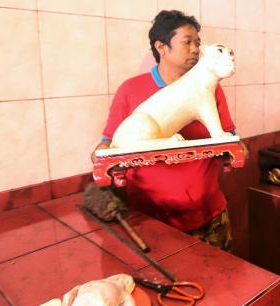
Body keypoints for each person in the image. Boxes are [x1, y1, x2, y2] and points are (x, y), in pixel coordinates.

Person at [92, 10, 244, 252]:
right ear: (161, 47)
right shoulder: (130, 90)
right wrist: (102, 158)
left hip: (209, 214)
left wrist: (235, 148)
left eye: (197, 43)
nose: (195, 49)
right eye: (187, 42)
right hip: (151, 220)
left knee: (220, 284)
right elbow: (107, 145)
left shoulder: (212, 90)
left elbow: (228, 136)